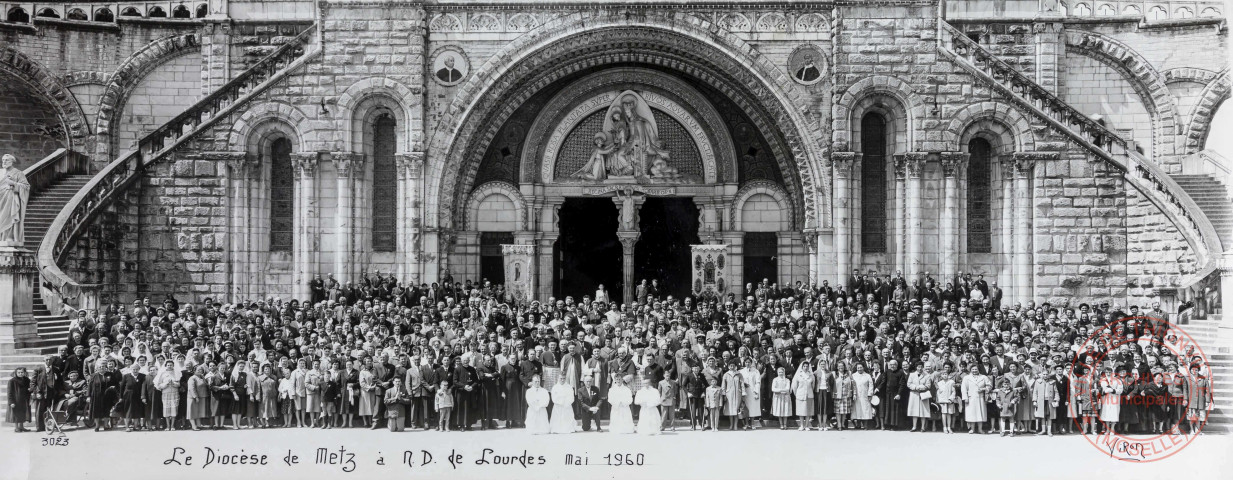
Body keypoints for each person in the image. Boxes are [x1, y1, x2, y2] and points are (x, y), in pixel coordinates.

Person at [961, 364, 989, 434]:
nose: (974, 371)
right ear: (970, 370)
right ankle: (972, 429)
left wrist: (983, 389)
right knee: (971, 414)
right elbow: (963, 389)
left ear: (979, 369)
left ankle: (980, 429)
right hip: (971, 398)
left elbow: (989, 386)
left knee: (980, 413)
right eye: (973, 369)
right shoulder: (966, 378)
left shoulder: (983, 377)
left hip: (980, 398)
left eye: (976, 369)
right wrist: (965, 398)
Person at [155, 360, 180, 430]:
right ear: (166, 365)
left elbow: (179, 384)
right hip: (166, 393)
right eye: (168, 365)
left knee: (174, 409)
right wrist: (166, 384)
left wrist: (173, 383)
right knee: (166, 409)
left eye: (171, 365)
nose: (169, 366)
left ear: (173, 365)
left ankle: (172, 426)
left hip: (174, 393)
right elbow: (159, 385)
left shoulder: (176, 373)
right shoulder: (162, 374)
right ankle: (168, 426)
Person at [935, 364, 957, 434]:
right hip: (943, 401)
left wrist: (951, 399)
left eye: (946, 374)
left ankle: (949, 427)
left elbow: (953, 392)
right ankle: (944, 427)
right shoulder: (939, 383)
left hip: (950, 401)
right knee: (944, 414)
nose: (945, 375)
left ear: (948, 375)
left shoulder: (951, 382)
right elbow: (938, 393)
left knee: (949, 414)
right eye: (943, 374)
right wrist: (939, 400)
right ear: (941, 376)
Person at [792, 361, 815, 430]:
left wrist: (809, 391)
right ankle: (801, 425)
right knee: (801, 411)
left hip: (809, 394)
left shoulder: (811, 375)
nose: (805, 368)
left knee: (808, 411)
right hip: (800, 394)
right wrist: (797, 393)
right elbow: (794, 386)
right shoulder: (798, 375)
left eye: (807, 366)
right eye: (804, 366)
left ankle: (807, 425)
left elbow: (813, 385)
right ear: (802, 367)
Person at [851, 362, 874, 429]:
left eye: (861, 367)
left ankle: (865, 425)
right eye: (858, 368)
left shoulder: (867, 376)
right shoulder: (853, 375)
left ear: (863, 368)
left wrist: (870, 394)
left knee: (865, 409)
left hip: (865, 395)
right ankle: (858, 424)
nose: (859, 369)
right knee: (857, 409)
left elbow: (871, 385)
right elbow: (852, 385)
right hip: (856, 395)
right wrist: (853, 394)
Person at [7, 367, 30, 432]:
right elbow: (9, 392)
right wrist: (11, 402)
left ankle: (21, 427)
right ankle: (16, 428)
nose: (20, 374)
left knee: (23, 413)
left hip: (24, 400)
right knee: (16, 414)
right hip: (16, 400)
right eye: (18, 373)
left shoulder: (27, 380)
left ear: (24, 373)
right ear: (16, 373)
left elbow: (29, 388)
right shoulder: (12, 381)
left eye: (22, 372)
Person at [833, 363, 854, 431]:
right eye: (839, 366)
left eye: (842, 366)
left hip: (846, 394)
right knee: (838, 410)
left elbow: (852, 383)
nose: (840, 367)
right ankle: (839, 425)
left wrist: (851, 392)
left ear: (844, 367)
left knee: (844, 410)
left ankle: (842, 424)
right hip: (838, 394)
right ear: (837, 367)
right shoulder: (834, 374)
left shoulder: (848, 373)